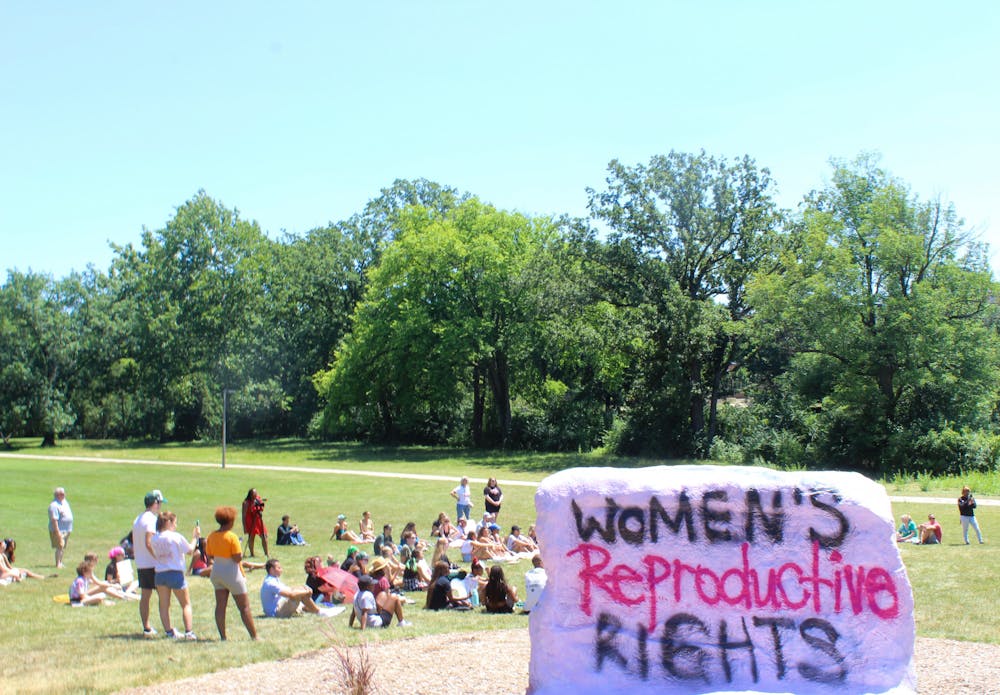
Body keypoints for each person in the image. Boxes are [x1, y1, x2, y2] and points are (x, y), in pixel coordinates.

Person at [206, 506, 259, 640]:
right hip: (232, 572)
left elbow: (210, 555)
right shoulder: (232, 537)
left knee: (220, 605)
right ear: (230, 521)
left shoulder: (211, 536)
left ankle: (223, 636)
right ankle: (254, 636)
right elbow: (237, 558)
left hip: (217, 571)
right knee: (244, 607)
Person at [151, 511, 199, 639]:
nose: (176, 526)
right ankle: (189, 631)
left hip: (160, 573)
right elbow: (190, 550)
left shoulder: (154, 538)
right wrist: (195, 537)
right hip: (175, 572)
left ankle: (168, 632)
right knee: (185, 604)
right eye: (174, 523)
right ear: (168, 522)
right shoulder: (175, 536)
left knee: (164, 604)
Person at [133, 489, 166, 638]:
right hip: (152, 563)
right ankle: (168, 626)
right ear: (155, 503)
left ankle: (146, 626)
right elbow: (149, 542)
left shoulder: (138, 519)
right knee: (163, 595)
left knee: (145, 595)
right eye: (159, 503)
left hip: (141, 562)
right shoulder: (151, 520)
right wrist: (159, 557)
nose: (160, 507)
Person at [260, 559, 336, 618]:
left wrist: (301, 587)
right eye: (279, 568)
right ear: (272, 570)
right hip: (276, 612)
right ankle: (319, 611)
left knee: (301, 592)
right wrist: (306, 592)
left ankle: (317, 610)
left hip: (278, 607)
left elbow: (288, 589)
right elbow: (291, 595)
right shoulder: (271, 583)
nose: (281, 569)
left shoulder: (273, 579)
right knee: (300, 594)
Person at [368, 557, 411, 626]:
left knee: (398, 598)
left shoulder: (371, 580)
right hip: (380, 611)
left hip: (373, 609)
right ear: (383, 568)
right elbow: (388, 596)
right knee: (396, 598)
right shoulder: (383, 580)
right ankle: (401, 622)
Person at [48, 487, 74, 569]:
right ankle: (58, 563)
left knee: (62, 547)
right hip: (59, 529)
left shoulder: (64, 502)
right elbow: (54, 520)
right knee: (59, 546)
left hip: (66, 529)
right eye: (62, 494)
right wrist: (57, 531)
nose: (64, 495)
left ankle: (60, 562)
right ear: (57, 495)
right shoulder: (54, 505)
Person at [242, 488, 269, 558]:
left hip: (258, 519)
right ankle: (252, 554)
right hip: (250, 521)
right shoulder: (246, 503)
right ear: (250, 495)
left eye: (256, 493)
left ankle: (267, 553)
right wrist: (244, 527)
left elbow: (260, 504)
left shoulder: (257, 499)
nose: (256, 495)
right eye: (254, 494)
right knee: (251, 537)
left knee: (264, 535)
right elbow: (244, 515)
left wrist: (262, 500)